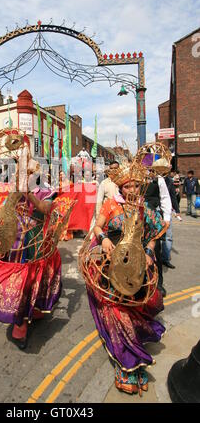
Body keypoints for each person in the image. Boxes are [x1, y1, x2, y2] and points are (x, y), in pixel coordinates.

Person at [0, 129, 70, 349]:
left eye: (28, 172)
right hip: (13, 245)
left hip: (35, 244)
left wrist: (27, 193)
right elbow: (1, 214)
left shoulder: (44, 190)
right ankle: (21, 323)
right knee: (16, 284)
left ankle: (30, 314)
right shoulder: (13, 192)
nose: (24, 174)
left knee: (33, 282)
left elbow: (47, 209)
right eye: (21, 171)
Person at [80, 160, 167, 396]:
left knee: (135, 309)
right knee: (117, 310)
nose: (131, 190)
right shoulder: (111, 205)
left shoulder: (144, 209)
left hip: (137, 269)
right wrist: (104, 238)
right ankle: (127, 364)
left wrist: (149, 250)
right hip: (112, 265)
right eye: (127, 186)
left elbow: (157, 231)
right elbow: (98, 227)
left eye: (136, 186)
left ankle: (136, 357)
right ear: (120, 187)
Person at [144, 174, 172, 297]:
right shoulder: (133, 174)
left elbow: (165, 197)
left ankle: (158, 284)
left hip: (153, 220)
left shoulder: (157, 178)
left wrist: (166, 218)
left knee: (155, 252)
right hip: (136, 219)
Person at [161, 172, 181, 269]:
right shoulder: (152, 180)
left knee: (168, 236)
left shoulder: (169, 181)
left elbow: (173, 196)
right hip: (154, 212)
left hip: (167, 213)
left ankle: (165, 259)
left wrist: (177, 210)